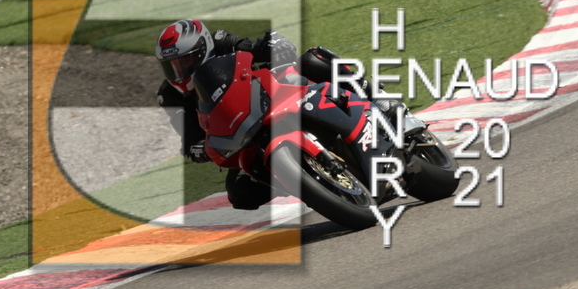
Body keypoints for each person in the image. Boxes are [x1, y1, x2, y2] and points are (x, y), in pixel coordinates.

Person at [155, 19, 398, 210]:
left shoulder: (222, 42)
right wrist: (197, 149)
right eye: (172, 66)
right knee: (240, 193)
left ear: (203, 48)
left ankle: (373, 95)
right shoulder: (170, 96)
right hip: (241, 135)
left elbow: (256, 47)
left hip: (267, 96)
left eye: (185, 61)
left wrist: (275, 45)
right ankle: (306, 181)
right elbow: (188, 137)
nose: (179, 70)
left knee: (311, 59)